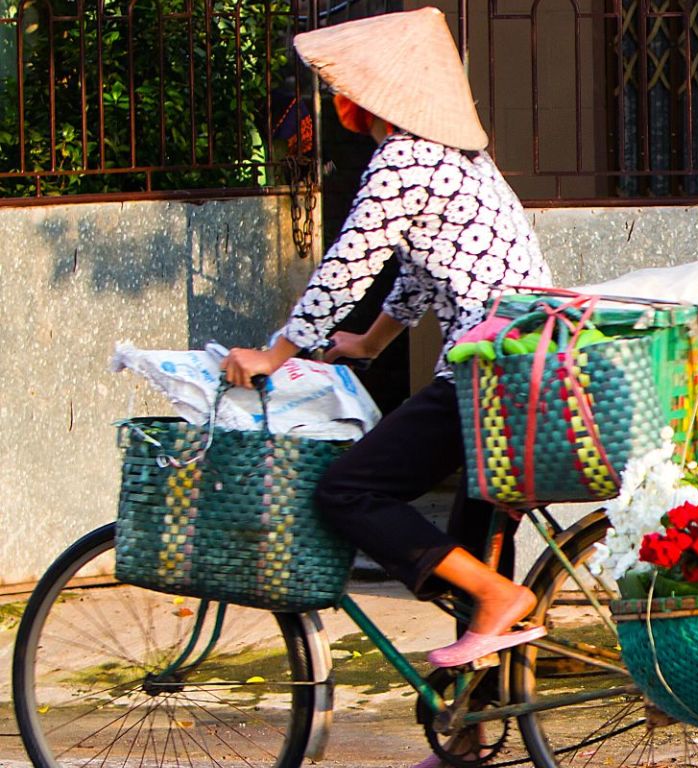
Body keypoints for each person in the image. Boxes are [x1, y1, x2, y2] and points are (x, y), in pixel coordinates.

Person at [221, 7, 552, 678]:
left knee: (349, 490)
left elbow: (351, 263)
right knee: (470, 548)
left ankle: (499, 596)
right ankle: (472, 736)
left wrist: (278, 353)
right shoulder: (457, 157)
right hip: (526, 364)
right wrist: (370, 342)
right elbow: (420, 272)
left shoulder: (403, 158)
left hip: (488, 372)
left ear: (366, 96)